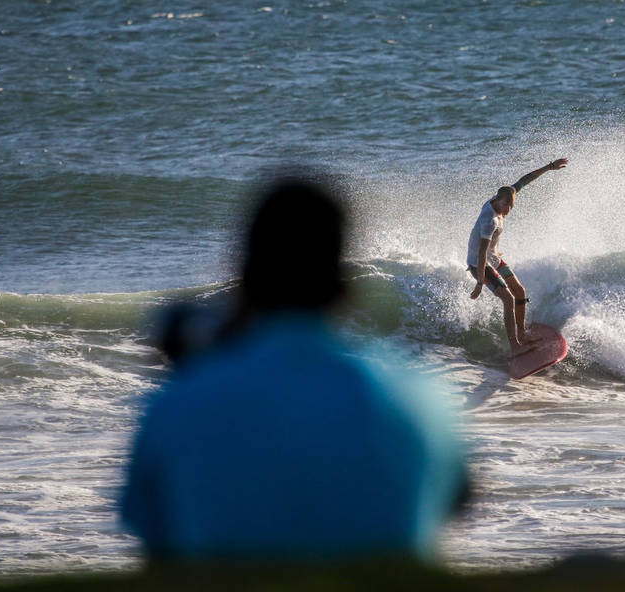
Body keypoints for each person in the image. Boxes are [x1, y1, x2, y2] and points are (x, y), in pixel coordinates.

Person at [121, 178, 466, 562]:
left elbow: (155, 540)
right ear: (344, 283)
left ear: (245, 277)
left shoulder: (176, 405)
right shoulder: (422, 400)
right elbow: (454, 504)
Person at [467, 158, 568, 354]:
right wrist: (479, 283)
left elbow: (524, 181)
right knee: (508, 299)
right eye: (505, 206)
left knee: (519, 292)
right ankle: (514, 346)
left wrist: (548, 167)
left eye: (510, 207)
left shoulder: (502, 197)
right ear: (497, 200)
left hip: (493, 258)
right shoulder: (490, 221)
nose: (507, 210)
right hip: (479, 264)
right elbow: (481, 253)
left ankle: (522, 335)